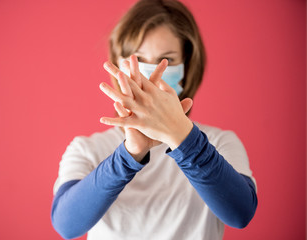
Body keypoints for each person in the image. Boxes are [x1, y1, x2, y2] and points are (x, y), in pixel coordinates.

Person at [51, 0, 258, 239]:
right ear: (120, 66)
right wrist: (130, 154)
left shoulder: (220, 142)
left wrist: (184, 138)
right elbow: (66, 225)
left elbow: (240, 214)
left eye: (166, 60)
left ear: (187, 67)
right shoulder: (87, 149)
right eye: (138, 59)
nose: (150, 73)